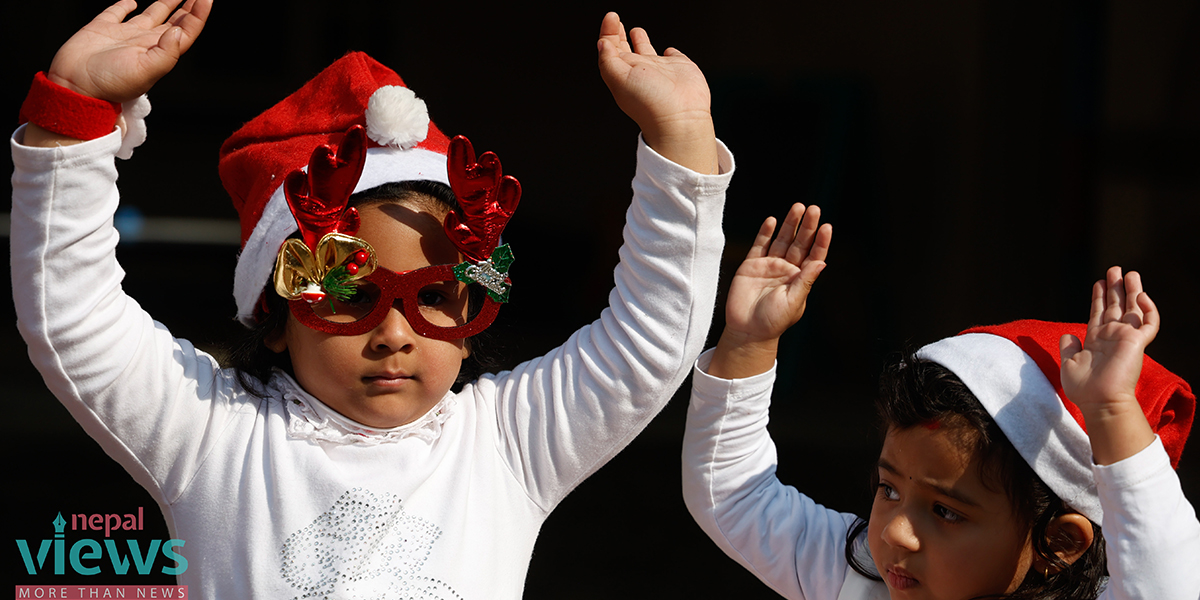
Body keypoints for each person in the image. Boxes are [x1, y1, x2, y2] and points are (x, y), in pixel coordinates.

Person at [12, 1, 734, 598]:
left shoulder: (507, 443)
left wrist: (681, 142)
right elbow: (75, 317)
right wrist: (71, 115)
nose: (393, 334)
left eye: (435, 297)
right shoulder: (212, 434)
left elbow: (649, 339)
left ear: (472, 311)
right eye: (348, 293)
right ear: (273, 316)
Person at [682, 204, 1200, 600]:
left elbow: (1169, 584)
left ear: (1060, 543)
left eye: (947, 512)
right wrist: (746, 344)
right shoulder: (857, 576)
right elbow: (732, 494)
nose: (896, 533)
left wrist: (1110, 412)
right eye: (888, 489)